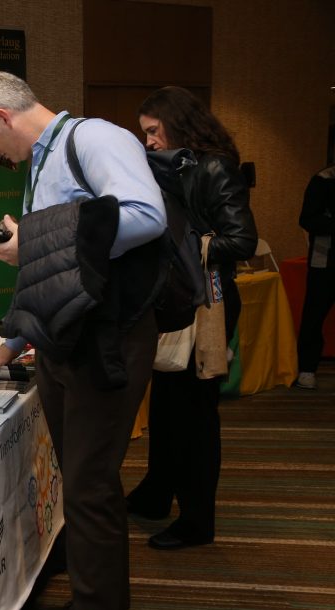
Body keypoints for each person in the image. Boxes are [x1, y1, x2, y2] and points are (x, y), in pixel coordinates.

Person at [0, 71, 166, 610]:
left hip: (108, 340)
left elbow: (146, 216)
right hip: (67, 340)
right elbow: (57, 268)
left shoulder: (95, 139)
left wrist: (41, 240)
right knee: (85, 486)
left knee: (90, 488)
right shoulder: (42, 161)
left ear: (1, 118)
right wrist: (16, 335)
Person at [127, 86, 258, 551]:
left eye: (154, 131)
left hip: (208, 304)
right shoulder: (168, 167)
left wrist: (189, 248)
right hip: (176, 302)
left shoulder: (215, 166)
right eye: (144, 134)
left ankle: (198, 520)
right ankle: (158, 492)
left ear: (177, 124)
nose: (149, 143)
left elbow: (241, 240)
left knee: (196, 418)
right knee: (166, 408)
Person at [293, 163, 335, 390]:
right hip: (325, 260)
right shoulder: (323, 180)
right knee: (314, 315)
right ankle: (307, 369)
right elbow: (307, 219)